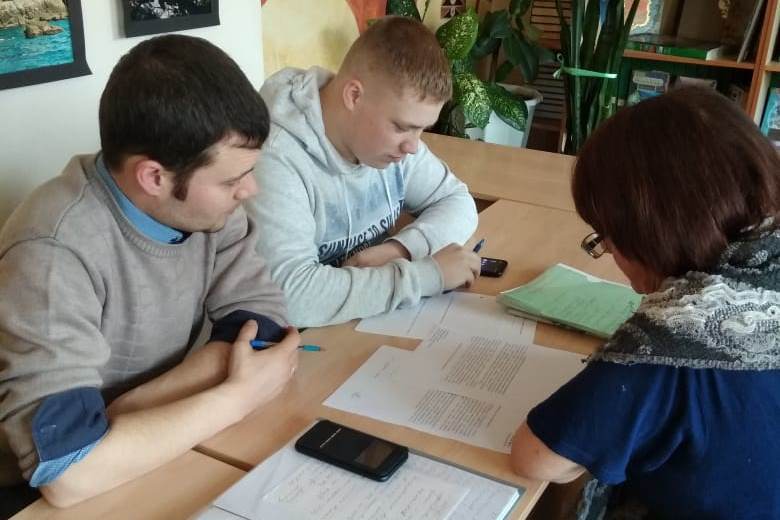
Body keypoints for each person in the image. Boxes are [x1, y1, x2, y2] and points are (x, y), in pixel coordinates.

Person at [0, 35, 299, 512]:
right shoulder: (52, 250)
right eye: (231, 179)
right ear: (154, 177)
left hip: (148, 446)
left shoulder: (209, 208)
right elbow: (67, 472)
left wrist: (128, 411)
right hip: (31, 494)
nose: (250, 190)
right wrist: (237, 396)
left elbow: (262, 325)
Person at [509, 87, 780, 518]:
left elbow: (535, 459)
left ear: (648, 232)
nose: (610, 255)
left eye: (606, 237)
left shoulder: (675, 342)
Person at [246, 16, 480, 327]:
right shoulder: (276, 156)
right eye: (402, 127)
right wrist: (427, 276)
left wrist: (401, 250)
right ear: (354, 96)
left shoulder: (391, 144)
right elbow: (291, 296)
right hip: (292, 340)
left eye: (422, 129)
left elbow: (457, 200)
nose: (413, 146)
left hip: (357, 326)